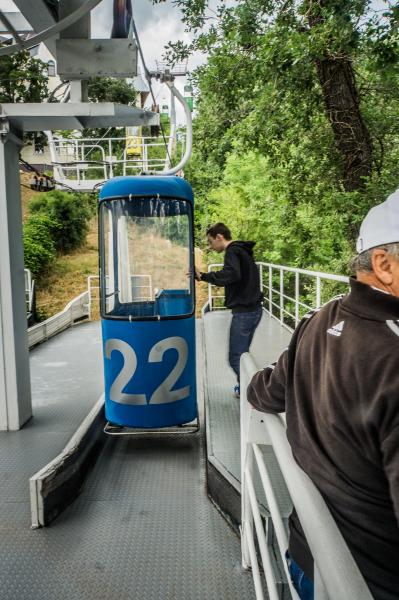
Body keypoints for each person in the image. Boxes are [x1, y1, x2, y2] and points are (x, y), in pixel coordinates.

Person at [247, 190, 399, 600]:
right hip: (370, 581)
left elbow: (265, 393)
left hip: (305, 555)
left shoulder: (318, 319)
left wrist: (252, 378)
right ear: (384, 265)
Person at [195, 223, 263, 397]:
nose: (211, 247)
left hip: (245, 313)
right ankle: (244, 388)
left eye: (211, 242)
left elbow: (231, 275)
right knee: (243, 355)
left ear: (219, 237)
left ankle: (257, 391)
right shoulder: (242, 251)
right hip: (253, 310)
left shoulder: (232, 251)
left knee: (236, 358)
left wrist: (203, 276)